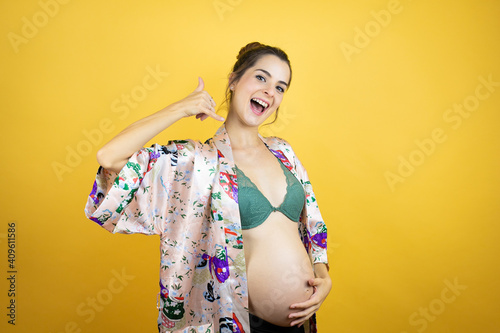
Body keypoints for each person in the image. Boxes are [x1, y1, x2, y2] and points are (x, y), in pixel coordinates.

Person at [84, 42, 331, 333]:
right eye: (261, 78)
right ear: (234, 80)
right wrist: (181, 108)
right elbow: (110, 158)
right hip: (242, 324)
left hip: (299, 326)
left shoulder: (284, 153)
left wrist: (322, 277)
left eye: (280, 87)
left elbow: (312, 224)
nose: (269, 92)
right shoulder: (197, 163)